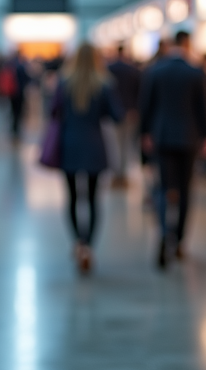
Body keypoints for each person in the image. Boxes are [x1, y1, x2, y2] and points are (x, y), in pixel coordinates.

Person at [139, 31, 206, 268]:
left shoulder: (155, 70)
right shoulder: (195, 72)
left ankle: (164, 230)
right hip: (189, 137)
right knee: (185, 190)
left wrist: (144, 133)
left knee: (163, 187)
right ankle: (179, 240)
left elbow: (146, 105)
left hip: (162, 136)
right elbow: (204, 107)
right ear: (187, 44)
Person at [54, 43, 122, 273]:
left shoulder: (64, 83)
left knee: (72, 197)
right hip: (94, 145)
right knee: (93, 199)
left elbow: (53, 111)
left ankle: (78, 242)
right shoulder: (104, 84)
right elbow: (116, 115)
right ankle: (89, 245)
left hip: (69, 144)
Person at [107, 45, 141, 188]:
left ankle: (116, 175)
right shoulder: (133, 70)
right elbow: (139, 92)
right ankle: (123, 175)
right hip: (130, 112)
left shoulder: (109, 69)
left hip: (112, 112)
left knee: (114, 145)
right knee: (126, 145)